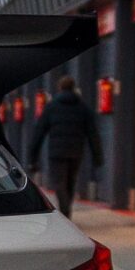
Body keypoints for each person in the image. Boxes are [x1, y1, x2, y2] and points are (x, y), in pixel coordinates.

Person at [24, 76, 102, 214]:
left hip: (57, 153)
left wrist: (32, 158)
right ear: (73, 88)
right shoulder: (83, 108)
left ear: (59, 88)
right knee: (70, 183)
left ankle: (65, 211)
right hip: (75, 152)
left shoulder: (51, 107)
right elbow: (93, 134)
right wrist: (97, 157)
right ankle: (66, 210)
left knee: (59, 184)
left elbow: (39, 133)